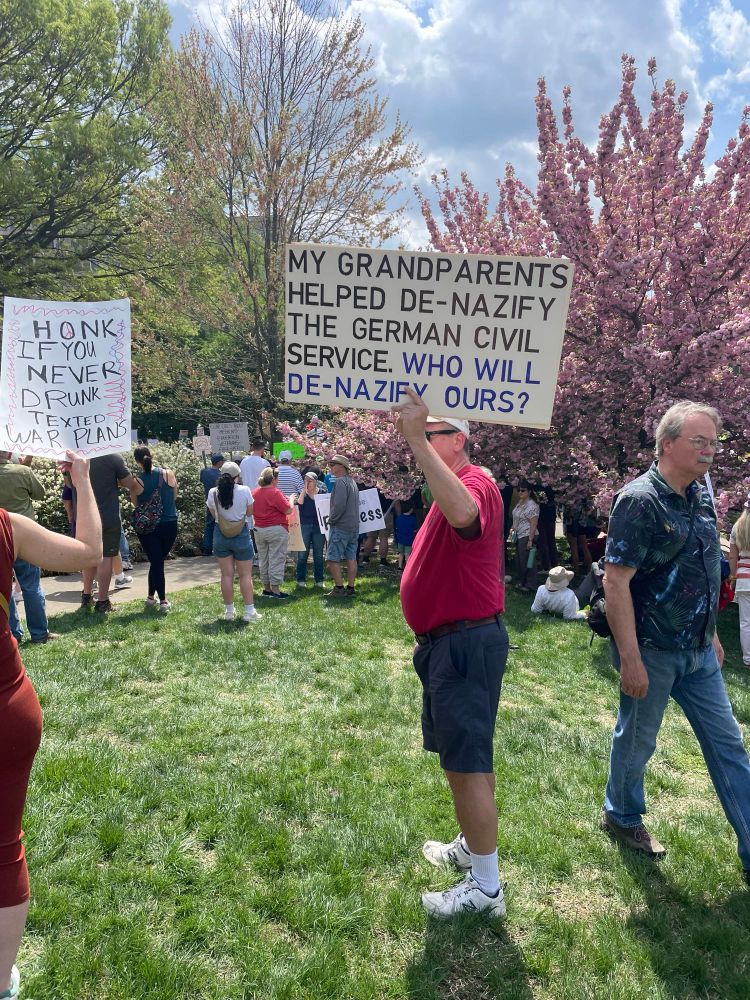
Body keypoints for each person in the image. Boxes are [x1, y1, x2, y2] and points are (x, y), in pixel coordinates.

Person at [601, 400, 750, 884]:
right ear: (667, 444)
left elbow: (706, 568)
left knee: (729, 746)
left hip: (700, 653)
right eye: (699, 441)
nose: (709, 451)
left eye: (713, 442)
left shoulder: (702, 495)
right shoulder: (639, 501)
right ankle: (622, 815)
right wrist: (630, 659)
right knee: (638, 742)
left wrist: (709, 633)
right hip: (652, 650)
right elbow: (616, 582)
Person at [393, 393, 508, 919]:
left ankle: (486, 886)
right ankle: (471, 848)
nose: (416, 436)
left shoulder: (477, 484)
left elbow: (465, 516)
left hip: (463, 644)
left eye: (431, 431)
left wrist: (417, 440)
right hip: (450, 645)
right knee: (463, 759)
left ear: (456, 439)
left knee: (466, 762)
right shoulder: (452, 485)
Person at [0, 450, 101, 1000]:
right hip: (6, 708)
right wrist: (82, 481)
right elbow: (89, 552)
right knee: (3, 847)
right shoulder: (5, 525)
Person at [0, 452, 58, 644]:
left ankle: (13, 633)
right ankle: (39, 633)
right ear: (8, 453)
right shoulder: (22, 472)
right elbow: (40, 493)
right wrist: (26, 467)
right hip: (25, 538)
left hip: (2, 538)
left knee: (4, 589)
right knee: (31, 585)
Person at [81, 454, 143, 613]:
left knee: (88, 556)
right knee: (107, 557)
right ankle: (103, 602)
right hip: (107, 514)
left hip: (84, 516)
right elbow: (131, 484)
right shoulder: (112, 457)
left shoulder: (76, 457)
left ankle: (86, 597)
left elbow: (69, 484)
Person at [206, 462, 261, 622]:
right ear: (237, 476)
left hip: (220, 533)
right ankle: (249, 611)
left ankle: (229, 612)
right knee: (245, 575)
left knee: (226, 575)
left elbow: (214, 514)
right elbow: (250, 512)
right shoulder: (244, 490)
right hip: (241, 533)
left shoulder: (213, 492)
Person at [132, 447, 178, 613]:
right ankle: (151, 597)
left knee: (157, 562)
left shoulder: (137, 481)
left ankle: (163, 601)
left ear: (136, 461)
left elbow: (136, 505)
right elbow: (174, 496)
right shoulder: (169, 474)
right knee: (157, 562)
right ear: (152, 456)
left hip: (148, 527)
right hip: (170, 523)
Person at [252, 467, 293, 599]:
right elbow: (288, 510)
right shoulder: (275, 492)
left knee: (263, 559)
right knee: (276, 558)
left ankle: (266, 588)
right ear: (274, 479)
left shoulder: (255, 492)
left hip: (259, 529)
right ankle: (275, 590)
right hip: (276, 529)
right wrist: (291, 499)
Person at [325, 455, 359, 598]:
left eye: (333, 464)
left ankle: (339, 588)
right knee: (351, 557)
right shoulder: (352, 482)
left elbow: (339, 505)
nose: (330, 467)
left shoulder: (340, 483)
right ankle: (351, 588)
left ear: (341, 466)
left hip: (341, 525)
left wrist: (331, 520)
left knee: (332, 558)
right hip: (353, 526)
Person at [729, 495, 750, 668]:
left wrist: (732, 577)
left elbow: (732, 556)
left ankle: (748, 659)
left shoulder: (738, 527)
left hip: (743, 578)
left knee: (746, 622)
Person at [295, 470, 326, 588]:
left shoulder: (322, 493)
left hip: (319, 527)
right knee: (303, 554)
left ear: (316, 482)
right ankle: (301, 579)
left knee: (318, 554)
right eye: (305, 480)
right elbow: (299, 504)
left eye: (310, 481)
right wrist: (304, 490)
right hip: (305, 526)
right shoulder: (302, 494)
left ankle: (319, 579)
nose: (307, 482)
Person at [511, 482, 538, 591]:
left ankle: (531, 584)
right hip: (519, 534)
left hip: (528, 535)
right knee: (519, 560)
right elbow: (516, 518)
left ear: (529, 492)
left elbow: (533, 523)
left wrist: (530, 540)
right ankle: (522, 582)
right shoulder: (520, 503)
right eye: (519, 490)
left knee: (528, 560)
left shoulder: (532, 505)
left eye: (523, 490)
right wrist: (513, 528)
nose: (520, 492)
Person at [199, 454, 224, 555]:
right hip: (221, 502)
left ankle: (206, 547)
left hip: (209, 500)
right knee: (221, 524)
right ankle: (220, 547)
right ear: (219, 462)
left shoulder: (204, 472)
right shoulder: (221, 474)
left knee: (209, 524)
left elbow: (201, 480)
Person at [394, 502, 418, 570]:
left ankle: (400, 566)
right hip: (409, 540)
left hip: (400, 539)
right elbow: (414, 529)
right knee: (407, 554)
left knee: (401, 553)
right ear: (410, 509)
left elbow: (397, 528)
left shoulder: (399, 518)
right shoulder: (413, 519)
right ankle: (408, 567)